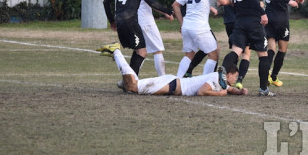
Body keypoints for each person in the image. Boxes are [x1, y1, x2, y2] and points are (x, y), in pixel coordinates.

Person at [102, 0, 174, 77]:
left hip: (120, 23)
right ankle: (117, 54)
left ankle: (130, 80)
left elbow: (106, 2)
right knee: (142, 52)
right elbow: (151, 2)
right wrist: (168, 11)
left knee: (140, 51)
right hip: (131, 22)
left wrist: (112, 21)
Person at [97, 42, 248, 96]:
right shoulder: (216, 78)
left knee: (131, 86)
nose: (235, 81)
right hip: (173, 85)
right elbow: (202, 92)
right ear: (228, 74)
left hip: (173, 84)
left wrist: (240, 91)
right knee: (133, 86)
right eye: (235, 77)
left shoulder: (221, 81)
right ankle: (116, 51)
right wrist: (219, 94)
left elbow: (229, 89)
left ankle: (123, 82)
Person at [220, 0, 276, 97]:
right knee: (263, 54)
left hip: (239, 21)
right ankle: (263, 89)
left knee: (236, 51)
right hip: (253, 22)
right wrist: (262, 13)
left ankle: (222, 71)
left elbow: (230, 2)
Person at [173, 0, 232, 78]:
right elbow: (223, 2)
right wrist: (231, 1)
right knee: (213, 55)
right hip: (200, 27)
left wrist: (182, 23)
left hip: (187, 26)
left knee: (189, 55)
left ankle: (178, 81)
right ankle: (205, 82)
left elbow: (175, 5)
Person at [264, 0, 305, 87]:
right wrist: (289, 1)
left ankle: (266, 76)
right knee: (282, 49)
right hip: (280, 20)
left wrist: (293, 0)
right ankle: (274, 76)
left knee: (271, 49)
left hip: (269, 17)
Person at [136, 0, 167, 76]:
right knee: (157, 50)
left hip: (134, 19)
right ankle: (163, 79)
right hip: (145, 19)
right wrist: (165, 12)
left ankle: (129, 79)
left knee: (140, 51)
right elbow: (149, 0)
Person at [220, 0, 251, 89]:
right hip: (241, 21)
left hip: (229, 21)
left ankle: (228, 79)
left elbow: (220, 2)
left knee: (235, 52)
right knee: (245, 53)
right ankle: (239, 81)